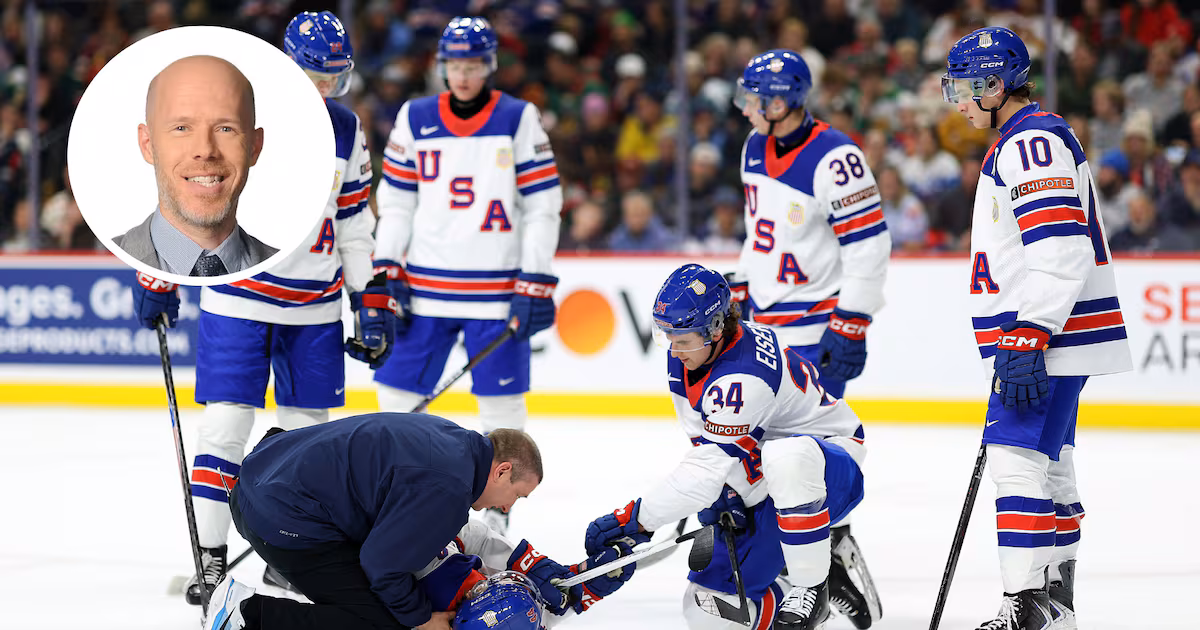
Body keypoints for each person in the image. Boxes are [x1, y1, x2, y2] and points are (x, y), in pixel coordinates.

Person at [132, 10, 396, 605]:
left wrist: (369, 300)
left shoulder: (349, 130)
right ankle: (210, 557)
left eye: (333, 78)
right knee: (225, 429)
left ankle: (294, 560)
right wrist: (158, 270)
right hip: (237, 298)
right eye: (312, 75)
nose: (322, 90)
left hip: (315, 311)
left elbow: (354, 221)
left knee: (311, 444)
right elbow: (185, 191)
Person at [941, 26, 1133, 630]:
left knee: (1015, 460)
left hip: (1044, 339)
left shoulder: (1031, 143)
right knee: (1049, 465)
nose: (961, 102)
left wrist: (1028, 334)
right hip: (1052, 337)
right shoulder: (1026, 140)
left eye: (969, 88)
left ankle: (1020, 609)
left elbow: (1061, 248)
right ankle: (1052, 607)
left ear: (998, 85)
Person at [582, 265, 881, 630]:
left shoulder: (744, 376)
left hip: (831, 467)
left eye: (685, 338)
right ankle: (805, 573)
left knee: (786, 455)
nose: (675, 349)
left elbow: (704, 471)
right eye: (668, 336)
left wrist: (635, 519)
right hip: (764, 474)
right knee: (706, 610)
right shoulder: (690, 349)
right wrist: (727, 490)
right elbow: (706, 446)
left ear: (717, 328)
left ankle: (810, 585)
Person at [372, 16, 562, 534]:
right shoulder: (413, 117)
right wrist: (386, 269)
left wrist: (535, 278)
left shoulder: (519, 118)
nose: (463, 74)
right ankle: (391, 498)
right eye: (455, 64)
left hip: (497, 291)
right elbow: (396, 203)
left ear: (490, 65)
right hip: (426, 289)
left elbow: (544, 204)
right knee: (396, 398)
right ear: (442, 65)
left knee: (501, 408)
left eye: (473, 64)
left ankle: (497, 516)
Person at [197, 412, 574, 630]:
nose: (507, 508)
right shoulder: (450, 487)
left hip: (265, 473)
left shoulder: (455, 444)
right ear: (502, 471)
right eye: (517, 495)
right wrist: (422, 620)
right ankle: (246, 615)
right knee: (383, 622)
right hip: (278, 514)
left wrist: (523, 560)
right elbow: (382, 566)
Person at [729, 49, 891, 400]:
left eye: (751, 99)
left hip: (815, 335)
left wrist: (853, 320)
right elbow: (757, 229)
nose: (743, 108)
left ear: (777, 105)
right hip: (760, 335)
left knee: (810, 450)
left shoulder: (837, 158)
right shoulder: (753, 146)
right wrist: (742, 281)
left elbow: (868, 246)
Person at [115, 55, 277, 276]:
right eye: (182, 128)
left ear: (255, 147)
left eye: (226, 128)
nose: (206, 150)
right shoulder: (91, 267)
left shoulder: (298, 274)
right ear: (147, 144)